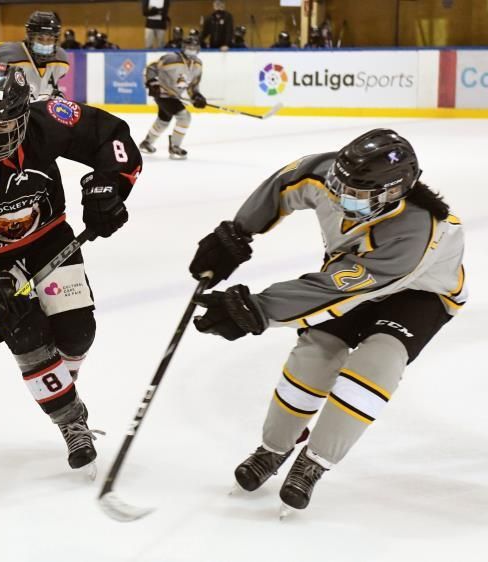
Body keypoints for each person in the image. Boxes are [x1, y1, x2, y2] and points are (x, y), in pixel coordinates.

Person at [188, 129, 466, 515]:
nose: (341, 196)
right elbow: (285, 184)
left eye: (357, 194)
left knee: (378, 363)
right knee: (313, 355)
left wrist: (257, 308)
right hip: (353, 277)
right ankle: (274, 447)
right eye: (339, 184)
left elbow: (339, 287)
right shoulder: (333, 174)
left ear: (391, 193)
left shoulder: (415, 233)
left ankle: (315, 460)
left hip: (418, 294)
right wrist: (237, 233)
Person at [0, 62, 142, 474]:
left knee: (78, 332)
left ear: (25, 115)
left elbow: (109, 136)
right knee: (27, 333)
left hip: (48, 238)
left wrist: (111, 186)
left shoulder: (48, 121)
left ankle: (53, 380)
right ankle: (71, 420)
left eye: (4, 128)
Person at [0, 11, 68, 101]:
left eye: (50, 39)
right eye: (40, 38)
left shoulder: (61, 60)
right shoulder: (5, 54)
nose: (45, 43)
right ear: (30, 37)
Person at [139, 34, 205, 160]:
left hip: (175, 96)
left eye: (194, 46)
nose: (191, 49)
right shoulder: (171, 58)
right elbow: (151, 68)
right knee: (184, 117)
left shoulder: (198, 64)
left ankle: (146, 143)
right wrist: (153, 83)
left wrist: (196, 95)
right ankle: (175, 147)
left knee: (163, 120)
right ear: (183, 46)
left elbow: (193, 85)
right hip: (163, 94)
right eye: (189, 46)